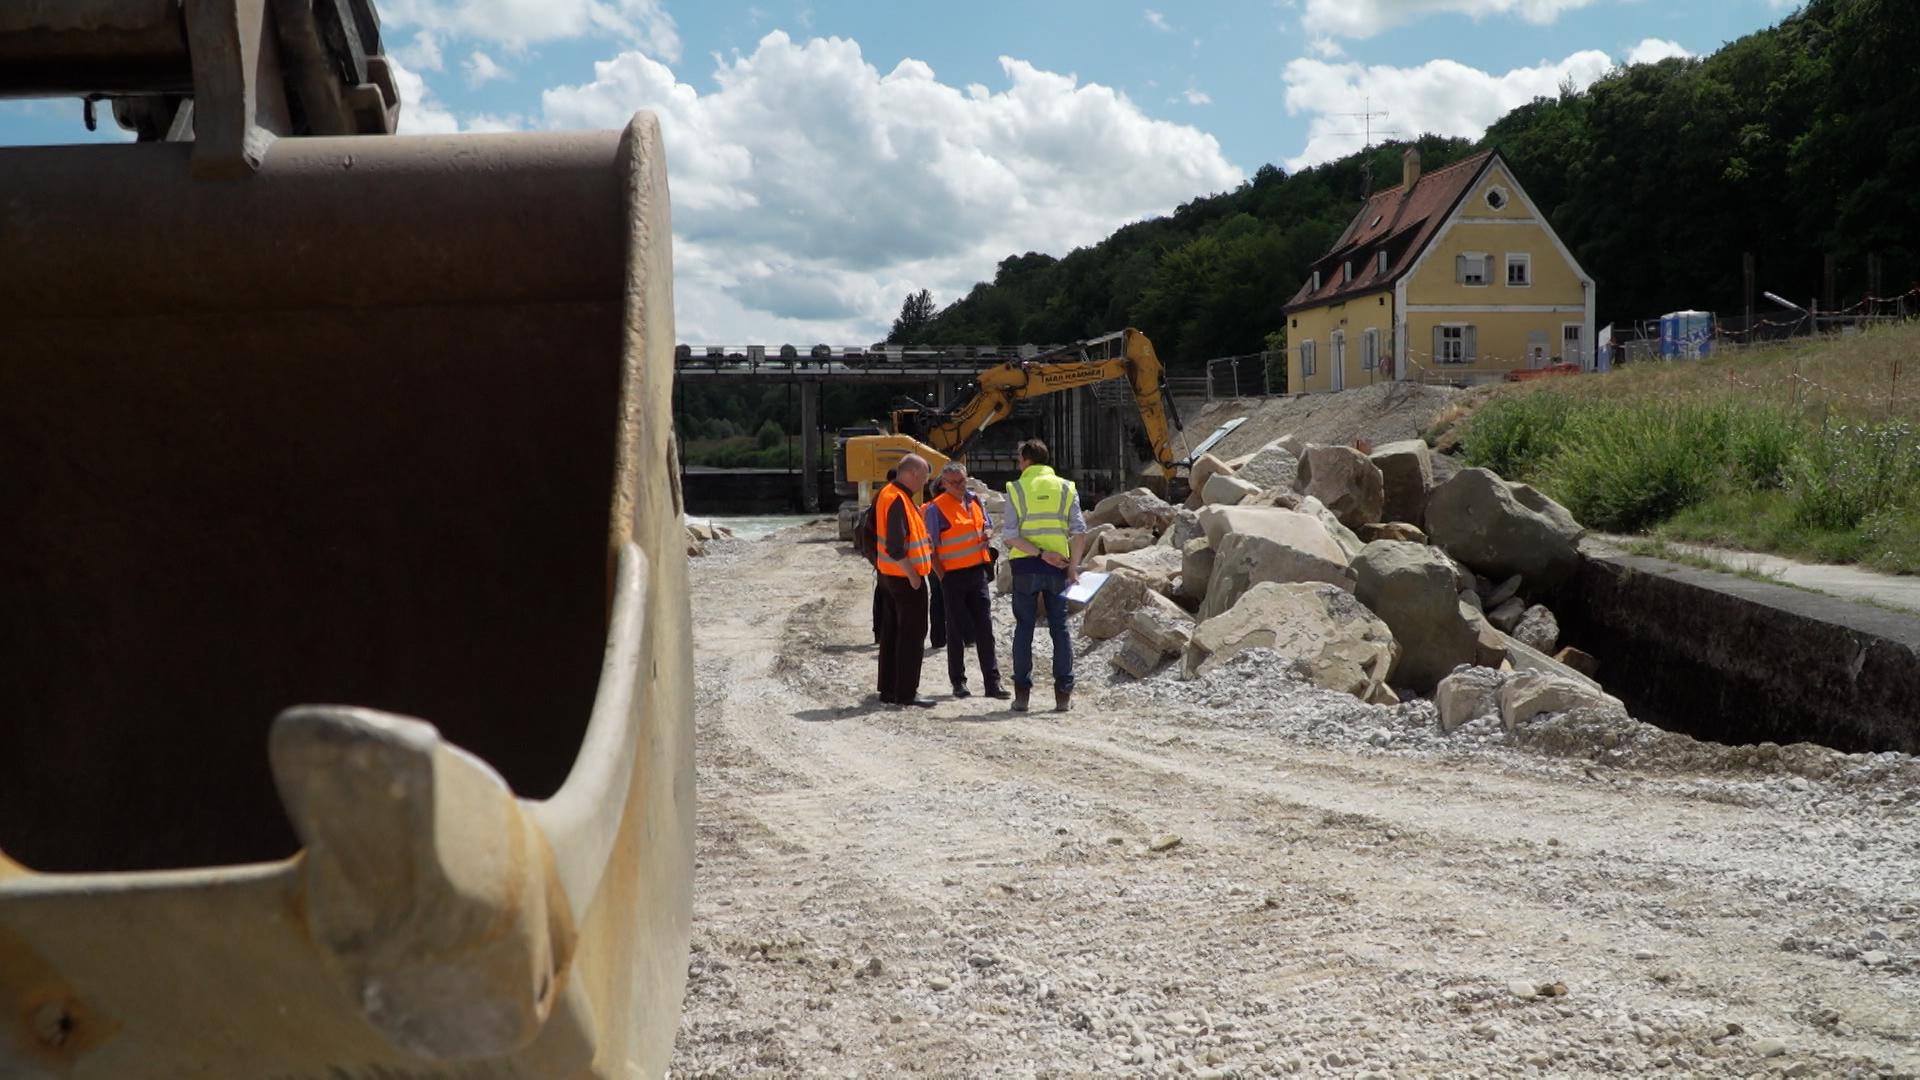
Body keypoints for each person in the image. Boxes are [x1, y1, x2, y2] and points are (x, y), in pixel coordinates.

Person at [1000, 438, 1088, 713]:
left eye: (1019, 458)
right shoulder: (1066, 487)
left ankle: (1022, 696)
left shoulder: (1016, 489)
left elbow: (1011, 536)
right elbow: (1080, 531)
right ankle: (1063, 696)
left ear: (1025, 459)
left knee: (1024, 628)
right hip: (1058, 567)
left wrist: (1038, 553)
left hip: (1026, 567)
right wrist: (1072, 567)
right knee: (1059, 629)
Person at [923, 462, 1007, 700]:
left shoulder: (975, 501)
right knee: (956, 630)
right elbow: (931, 549)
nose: (961, 486)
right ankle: (958, 682)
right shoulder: (935, 509)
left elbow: (987, 524)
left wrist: (988, 533)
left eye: (963, 481)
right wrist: (943, 577)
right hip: (952, 577)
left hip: (977, 573)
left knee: (985, 629)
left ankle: (992, 683)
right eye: (955, 483)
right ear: (944, 484)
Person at [873, 454, 936, 707]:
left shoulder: (889, 495)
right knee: (912, 634)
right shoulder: (897, 499)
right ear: (910, 474)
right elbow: (896, 547)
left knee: (891, 633)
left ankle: (889, 689)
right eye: (922, 478)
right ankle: (906, 693)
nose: (923, 483)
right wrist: (913, 576)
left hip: (889, 577)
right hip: (904, 578)